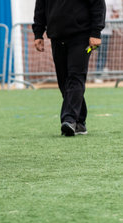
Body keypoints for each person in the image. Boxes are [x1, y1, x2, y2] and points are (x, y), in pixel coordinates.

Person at [33, 0, 106, 136]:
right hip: (56, 37)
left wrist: (96, 32)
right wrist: (38, 33)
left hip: (82, 37)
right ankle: (79, 123)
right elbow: (40, 8)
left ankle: (69, 119)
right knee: (64, 82)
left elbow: (98, 5)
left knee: (75, 76)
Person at [95, 0, 122, 83]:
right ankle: (99, 70)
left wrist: (111, 19)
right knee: (90, 49)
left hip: (106, 31)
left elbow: (116, 12)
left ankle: (99, 72)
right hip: (94, 32)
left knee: (102, 52)